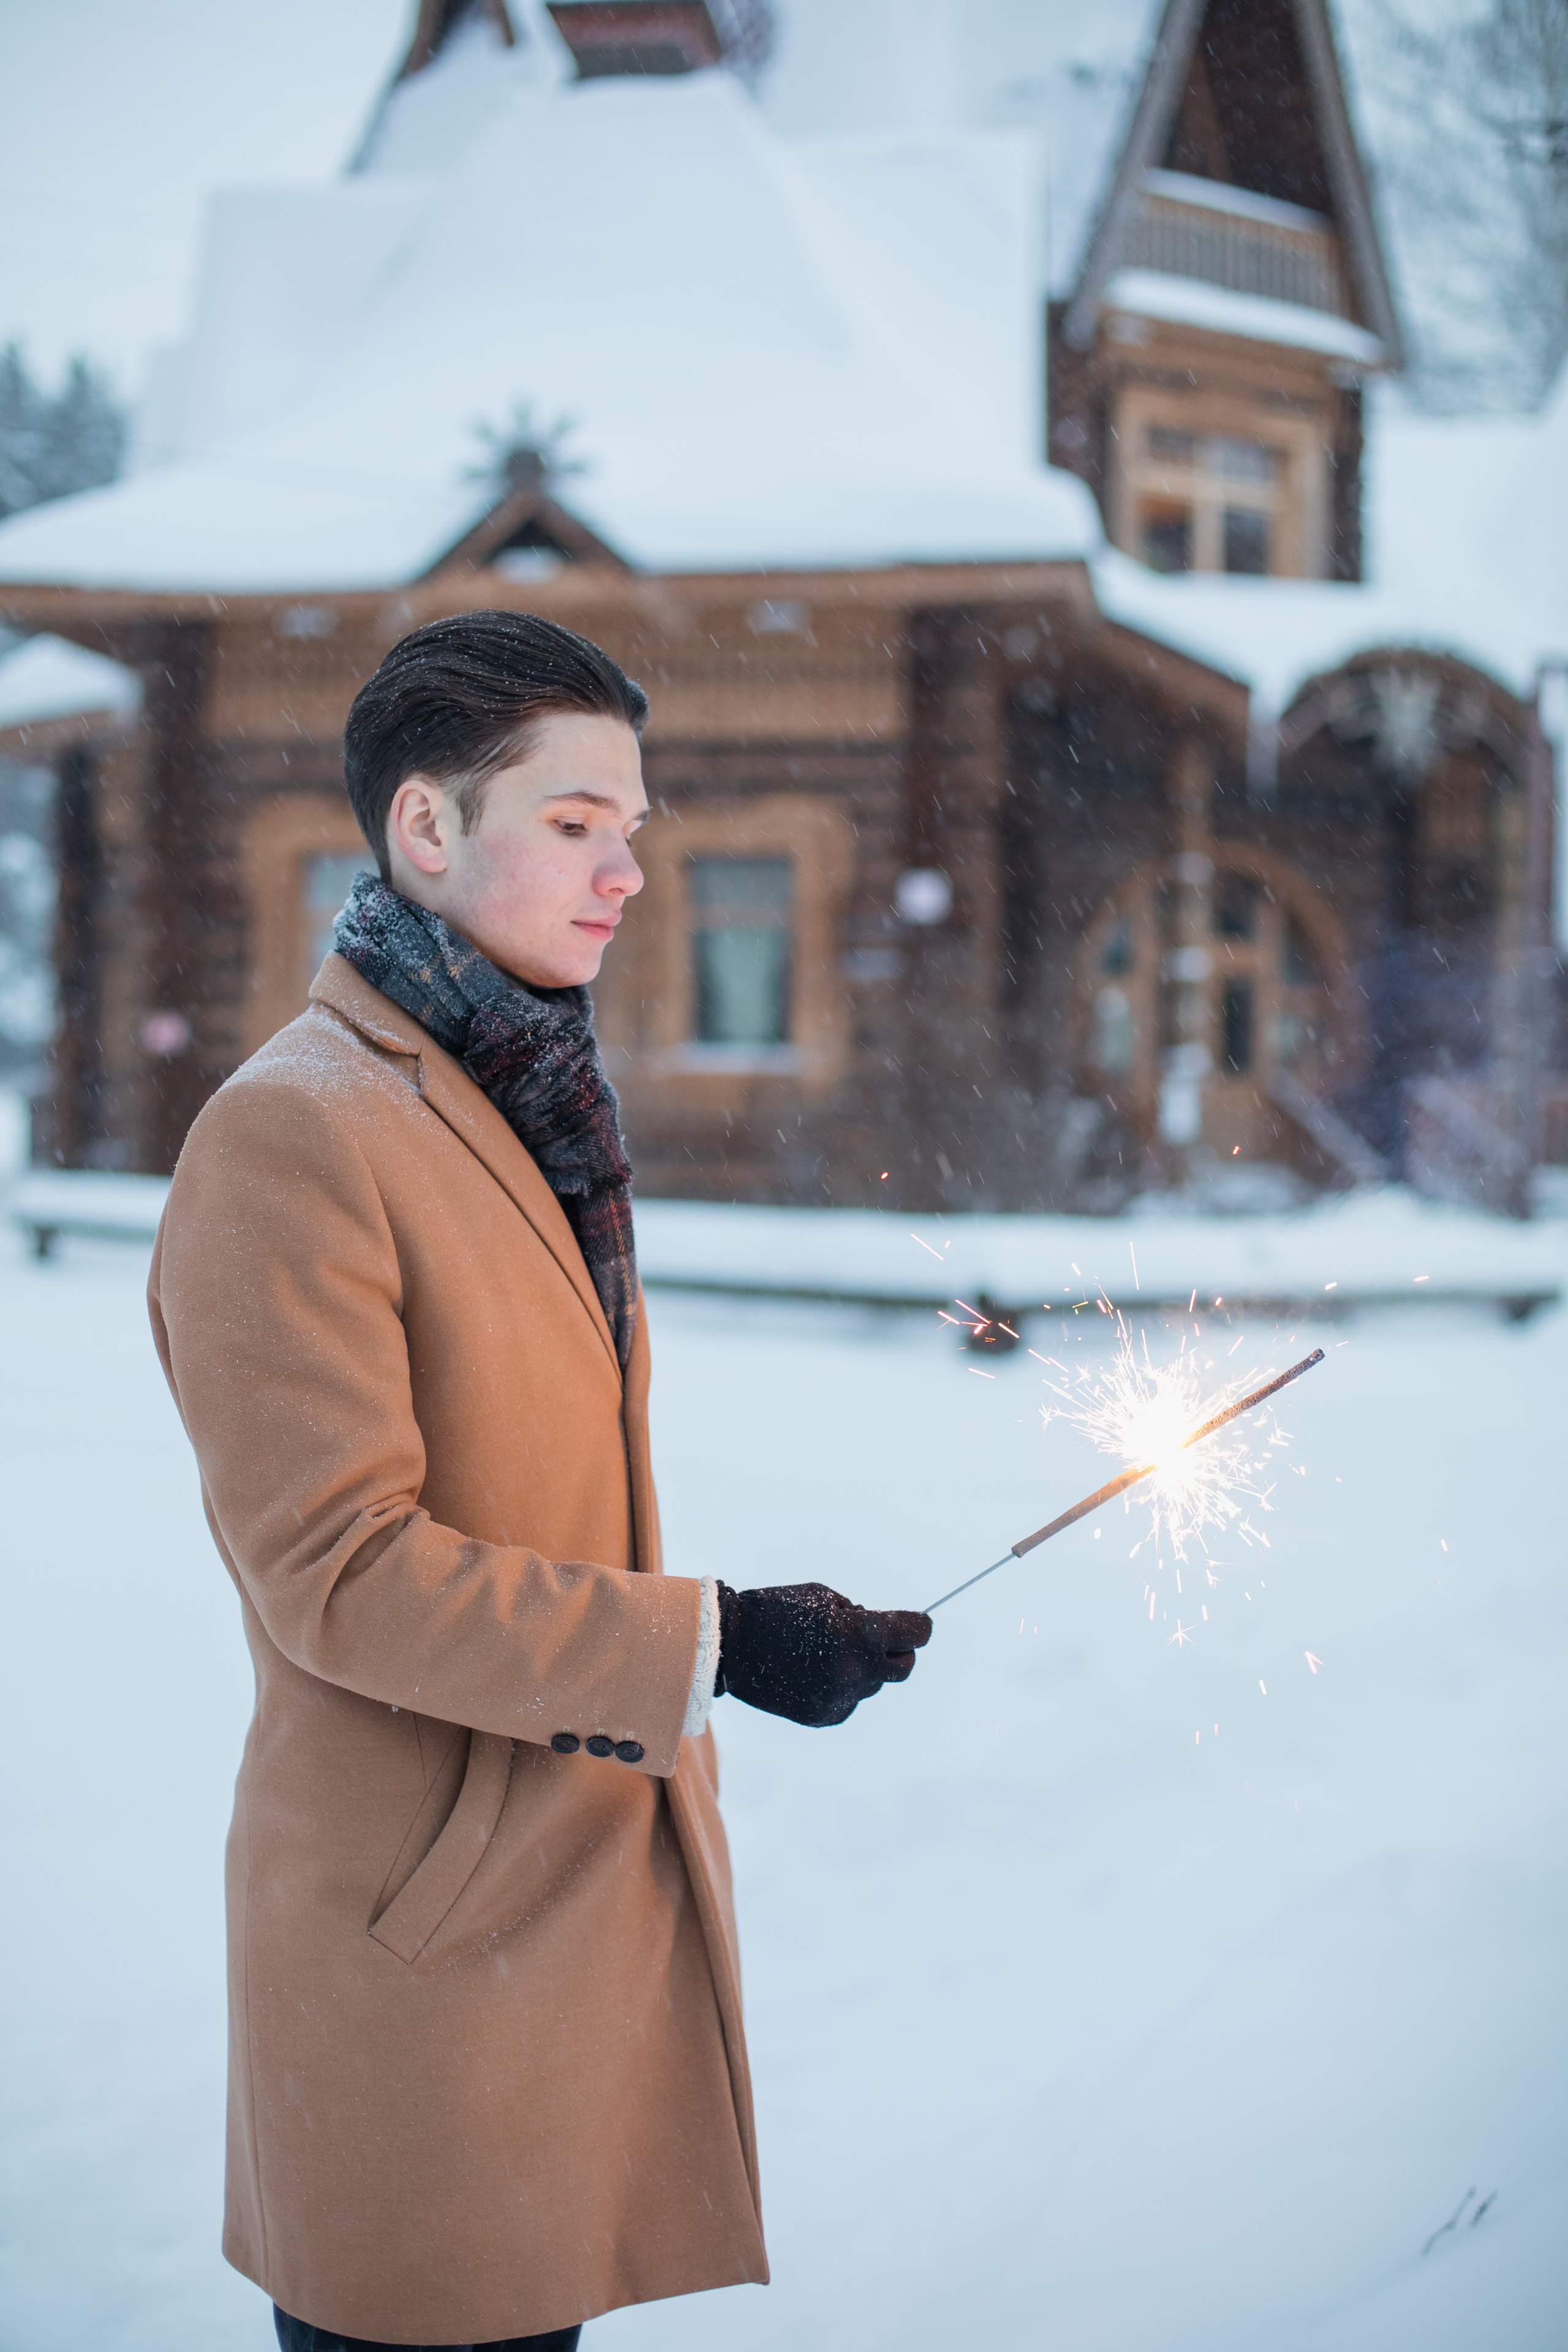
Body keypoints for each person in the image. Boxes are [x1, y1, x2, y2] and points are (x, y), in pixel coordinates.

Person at [148, 609, 933, 2352]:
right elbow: (337, 1573)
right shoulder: (295, 1135)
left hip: (558, 1926)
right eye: (578, 826)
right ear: (428, 830)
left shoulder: (521, 1100)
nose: (629, 872)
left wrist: (731, 1634)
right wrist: (711, 1647)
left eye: (632, 830)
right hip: (421, 1955)